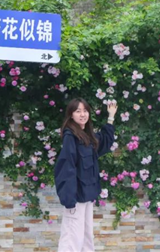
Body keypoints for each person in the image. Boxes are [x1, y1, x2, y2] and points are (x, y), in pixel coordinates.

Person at [54, 98, 117, 252]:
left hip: (87, 196)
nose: (82, 114)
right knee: (71, 239)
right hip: (76, 198)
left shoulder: (87, 136)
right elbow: (66, 167)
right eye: (78, 111)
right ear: (71, 115)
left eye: (85, 111)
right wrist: (69, 199)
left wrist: (111, 117)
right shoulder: (70, 137)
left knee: (86, 237)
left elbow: (104, 142)